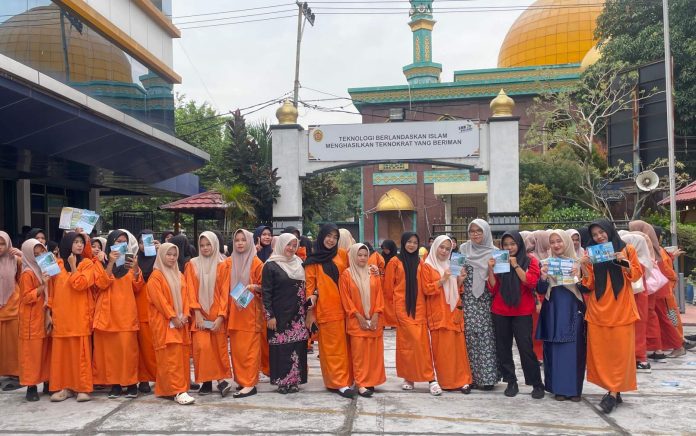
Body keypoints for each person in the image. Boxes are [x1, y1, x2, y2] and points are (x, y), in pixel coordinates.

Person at [579, 219, 642, 414]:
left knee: (620, 354)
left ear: (609, 230)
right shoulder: (591, 253)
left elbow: (636, 275)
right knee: (602, 354)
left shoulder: (627, 249)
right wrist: (584, 266)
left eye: (601, 232)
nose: (599, 237)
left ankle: (613, 393)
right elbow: (589, 284)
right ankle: (613, 390)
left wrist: (622, 261)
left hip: (622, 310)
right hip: (598, 311)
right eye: (595, 234)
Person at [487, 231, 544, 399]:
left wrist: (516, 266)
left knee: (525, 348)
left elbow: (531, 282)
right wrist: (490, 269)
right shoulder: (500, 259)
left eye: (512, 244)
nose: (509, 247)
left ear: (519, 244)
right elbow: (493, 288)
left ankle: (536, 383)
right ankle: (511, 381)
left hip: (522, 311)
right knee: (503, 348)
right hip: (500, 310)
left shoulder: (530, 260)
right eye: (505, 245)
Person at [304, 223, 353, 398]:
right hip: (327, 311)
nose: (331, 240)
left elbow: (354, 272)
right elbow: (309, 288)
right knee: (332, 349)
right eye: (328, 236)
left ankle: (347, 378)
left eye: (335, 237)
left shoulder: (342, 254)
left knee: (347, 347)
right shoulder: (312, 261)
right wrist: (310, 312)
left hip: (347, 308)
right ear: (321, 236)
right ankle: (338, 382)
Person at [537, 230, 586, 401]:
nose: (556, 245)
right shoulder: (545, 263)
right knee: (555, 348)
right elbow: (540, 290)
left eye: (559, 241)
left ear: (567, 242)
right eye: (552, 242)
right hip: (553, 309)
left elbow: (586, 289)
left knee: (574, 348)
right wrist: (543, 277)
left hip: (573, 309)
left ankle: (574, 390)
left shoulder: (579, 263)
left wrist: (577, 277)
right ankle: (558, 388)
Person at [92, 230, 142, 399]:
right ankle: (115, 385)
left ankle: (131, 383)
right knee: (111, 353)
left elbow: (137, 287)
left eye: (124, 241)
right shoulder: (101, 262)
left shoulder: (130, 263)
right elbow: (101, 284)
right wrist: (111, 263)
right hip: (108, 313)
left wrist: (136, 269)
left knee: (128, 351)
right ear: (111, 243)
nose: (121, 244)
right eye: (118, 241)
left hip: (126, 314)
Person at [384, 232, 436, 394]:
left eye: (415, 242)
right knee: (407, 346)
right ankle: (409, 377)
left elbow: (426, 285)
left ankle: (430, 378)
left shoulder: (421, 262)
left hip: (419, 309)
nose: (412, 245)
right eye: (409, 242)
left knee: (422, 345)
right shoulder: (394, 262)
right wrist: (393, 312)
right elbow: (388, 289)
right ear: (403, 243)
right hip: (402, 309)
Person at [48, 231, 96, 402]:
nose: (79, 245)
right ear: (67, 244)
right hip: (61, 316)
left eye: (81, 242)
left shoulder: (87, 264)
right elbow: (50, 291)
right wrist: (48, 313)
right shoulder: (57, 264)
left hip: (80, 315)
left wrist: (73, 266)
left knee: (80, 354)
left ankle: (82, 388)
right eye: (75, 242)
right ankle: (64, 388)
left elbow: (81, 284)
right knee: (62, 355)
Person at [421, 235, 473, 394]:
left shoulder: (452, 264)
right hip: (438, 313)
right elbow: (427, 289)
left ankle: (463, 380)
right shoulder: (427, 266)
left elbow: (457, 289)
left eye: (447, 248)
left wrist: (460, 280)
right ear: (435, 247)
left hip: (453, 310)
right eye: (441, 247)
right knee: (443, 351)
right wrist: (443, 279)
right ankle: (447, 382)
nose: (444, 251)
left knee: (458, 349)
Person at [628, 220, 685, 359]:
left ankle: (678, 345)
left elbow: (669, 272)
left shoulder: (647, 249)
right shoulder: (654, 249)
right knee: (661, 318)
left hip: (660, 292)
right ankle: (666, 346)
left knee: (666, 319)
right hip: (661, 290)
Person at [218, 229, 264, 398]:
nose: (239, 243)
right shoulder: (228, 263)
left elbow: (266, 286)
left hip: (251, 315)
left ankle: (250, 384)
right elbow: (221, 287)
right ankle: (242, 380)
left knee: (250, 351)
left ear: (250, 242)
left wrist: (254, 287)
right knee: (237, 352)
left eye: (243, 240)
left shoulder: (256, 263)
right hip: (234, 314)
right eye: (237, 240)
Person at [147, 242, 195, 405]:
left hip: (181, 323)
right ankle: (178, 390)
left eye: (174, 255)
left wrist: (186, 314)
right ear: (161, 255)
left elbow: (186, 296)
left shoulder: (179, 274)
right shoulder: (156, 276)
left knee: (180, 356)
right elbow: (159, 301)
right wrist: (173, 316)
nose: (172, 258)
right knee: (170, 358)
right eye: (168, 254)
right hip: (165, 323)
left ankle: (168, 389)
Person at [185, 231, 231, 397]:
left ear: (215, 245)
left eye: (208, 244)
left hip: (217, 312)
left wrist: (221, 316)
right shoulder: (192, 264)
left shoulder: (223, 264)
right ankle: (209, 381)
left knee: (218, 348)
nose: (205, 248)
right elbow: (190, 289)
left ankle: (216, 381)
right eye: (202, 245)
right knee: (202, 347)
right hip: (199, 313)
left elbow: (225, 292)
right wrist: (196, 311)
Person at [262, 233, 309, 394]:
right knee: (281, 348)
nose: (291, 248)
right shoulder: (270, 265)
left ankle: (295, 381)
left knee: (297, 347)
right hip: (279, 315)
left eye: (294, 245)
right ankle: (282, 382)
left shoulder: (300, 263)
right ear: (281, 244)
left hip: (298, 314)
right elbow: (266, 292)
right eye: (288, 244)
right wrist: (270, 316)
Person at [340, 243, 386, 397]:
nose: (362, 258)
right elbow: (346, 299)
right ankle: (360, 383)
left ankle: (371, 380)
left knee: (373, 353)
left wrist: (376, 314)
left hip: (374, 319)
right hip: (356, 320)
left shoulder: (373, 272)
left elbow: (379, 294)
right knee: (359, 354)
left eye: (365, 255)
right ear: (353, 256)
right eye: (359, 255)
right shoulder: (346, 275)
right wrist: (358, 317)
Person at [459, 220, 498, 389]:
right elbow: (456, 273)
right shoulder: (463, 249)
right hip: (468, 300)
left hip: (486, 300)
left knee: (486, 338)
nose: (475, 234)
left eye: (479, 231)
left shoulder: (495, 253)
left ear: (486, 232)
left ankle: (487, 379)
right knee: (469, 338)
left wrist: (491, 269)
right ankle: (471, 378)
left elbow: (498, 283)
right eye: (472, 231)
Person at [18, 238, 51, 401]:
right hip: (31, 320)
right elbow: (26, 297)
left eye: (41, 253)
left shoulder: (46, 269)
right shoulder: (28, 273)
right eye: (35, 254)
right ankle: (31, 387)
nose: (39, 257)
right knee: (32, 354)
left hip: (45, 315)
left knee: (46, 352)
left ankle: (47, 381)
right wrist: (42, 286)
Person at [618, 230, 654, 373]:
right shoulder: (644, 259)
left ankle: (639, 358)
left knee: (637, 328)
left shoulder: (636, 261)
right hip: (639, 296)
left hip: (635, 297)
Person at [135, 230, 158, 393]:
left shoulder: (160, 257)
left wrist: (161, 252)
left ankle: (161, 376)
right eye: (141, 242)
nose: (144, 245)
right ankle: (143, 379)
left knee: (158, 346)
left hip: (159, 308)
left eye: (148, 241)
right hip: (140, 308)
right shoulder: (134, 259)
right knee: (144, 348)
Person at [0, 231, 21, 392]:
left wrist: (22, 254)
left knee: (13, 345)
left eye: (2, 243)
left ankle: (16, 374)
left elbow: (27, 275)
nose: (0, 247)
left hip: (13, 306)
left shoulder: (16, 260)